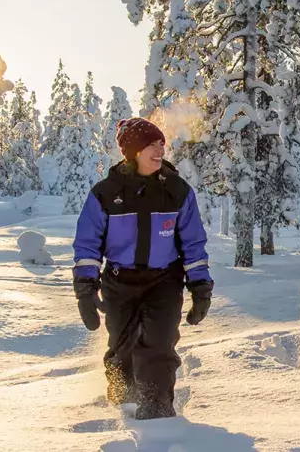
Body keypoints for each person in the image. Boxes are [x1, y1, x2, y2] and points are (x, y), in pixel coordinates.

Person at [72, 117, 214, 420]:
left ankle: (158, 412)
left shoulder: (177, 191)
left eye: (161, 143)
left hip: (164, 281)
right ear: (133, 150)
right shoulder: (106, 193)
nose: (159, 150)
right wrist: (85, 288)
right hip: (119, 282)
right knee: (121, 349)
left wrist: (200, 287)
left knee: (159, 346)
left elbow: (193, 243)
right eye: (151, 144)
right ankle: (122, 408)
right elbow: (88, 244)